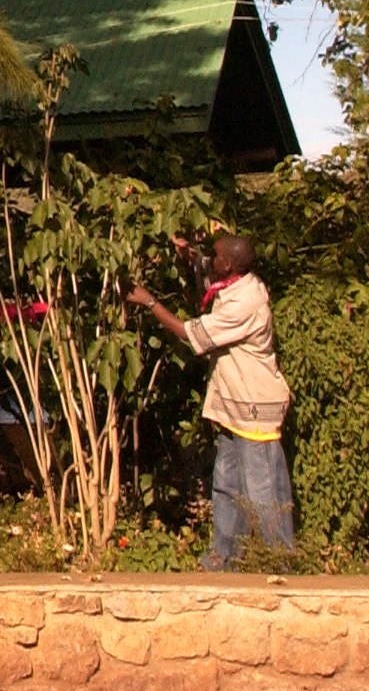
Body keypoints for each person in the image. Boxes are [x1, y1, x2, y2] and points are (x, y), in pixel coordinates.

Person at [127, 233, 296, 569]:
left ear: (229, 265)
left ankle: (280, 563)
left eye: (215, 256)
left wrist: (149, 302)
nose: (210, 260)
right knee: (226, 485)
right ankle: (223, 559)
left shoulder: (245, 303)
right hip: (235, 409)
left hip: (254, 410)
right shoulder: (237, 282)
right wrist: (190, 259)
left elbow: (190, 333)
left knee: (263, 493)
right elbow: (209, 275)